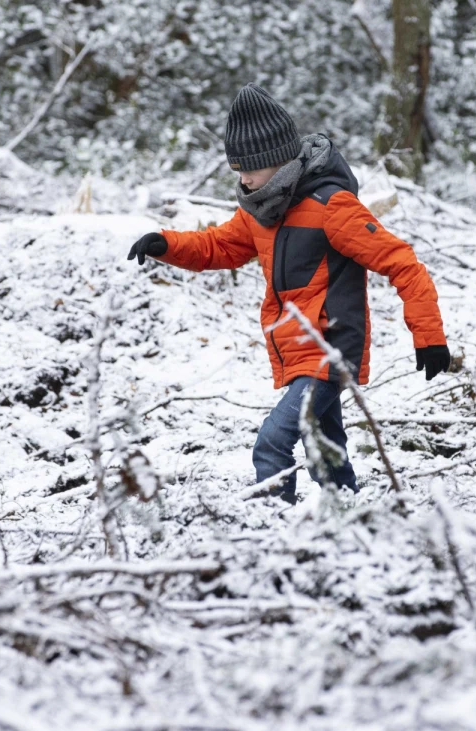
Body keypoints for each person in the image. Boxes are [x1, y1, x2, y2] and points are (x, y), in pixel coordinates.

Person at [128, 83, 451, 503]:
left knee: (272, 443)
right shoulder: (261, 209)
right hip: (297, 351)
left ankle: (271, 529)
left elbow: (402, 262)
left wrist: (429, 337)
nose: (243, 179)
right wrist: (165, 244)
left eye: (250, 169)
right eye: (237, 169)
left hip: (331, 351)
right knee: (323, 450)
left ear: (277, 160)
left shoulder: (332, 207)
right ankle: (353, 518)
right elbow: (219, 247)